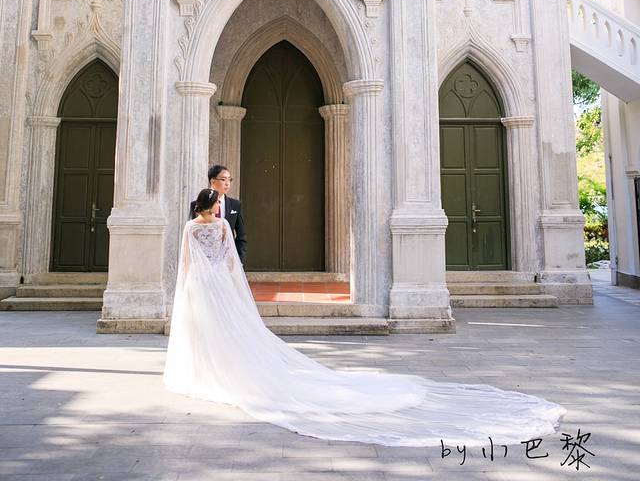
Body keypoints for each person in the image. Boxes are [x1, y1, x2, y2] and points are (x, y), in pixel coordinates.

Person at [164, 189, 567, 447]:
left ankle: (208, 372)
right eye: (215, 202)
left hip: (201, 285)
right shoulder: (220, 228)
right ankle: (219, 369)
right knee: (228, 329)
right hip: (218, 282)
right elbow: (232, 264)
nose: (219, 206)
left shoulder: (189, 228)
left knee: (207, 330)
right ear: (210, 205)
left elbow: (184, 265)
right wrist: (237, 289)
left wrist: (190, 287)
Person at [189, 165, 247, 264]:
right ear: (212, 181)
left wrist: (238, 262)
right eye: (223, 179)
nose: (227, 183)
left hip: (227, 262)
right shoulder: (196, 205)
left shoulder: (235, 205)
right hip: (203, 263)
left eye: (229, 179)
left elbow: (241, 236)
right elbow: (193, 236)